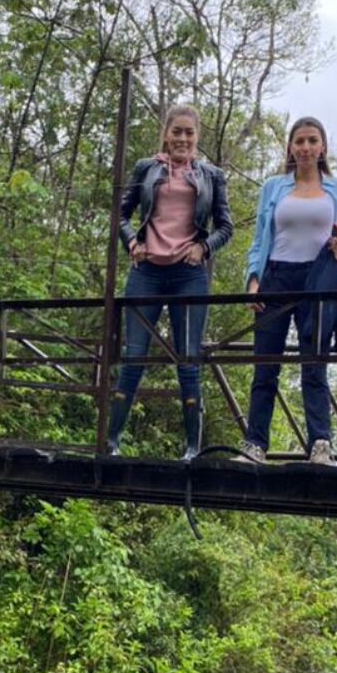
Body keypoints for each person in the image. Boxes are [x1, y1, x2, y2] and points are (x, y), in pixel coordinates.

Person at [106, 104, 233, 460]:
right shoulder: (147, 168)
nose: (182, 138)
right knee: (134, 357)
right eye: (176, 131)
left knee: (188, 359)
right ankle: (111, 440)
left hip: (188, 275)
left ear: (197, 136)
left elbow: (226, 226)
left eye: (189, 133)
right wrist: (132, 241)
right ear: (166, 133)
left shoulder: (211, 175)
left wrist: (204, 247)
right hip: (146, 271)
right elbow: (121, 212)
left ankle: (192, 447)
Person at [238, 116, 337, 465]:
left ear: (322, 147)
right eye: (299, 141)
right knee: (265, 363)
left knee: (314, 362)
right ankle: (255, 444)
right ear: (290, 147)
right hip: (277, 275)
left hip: (318, 278)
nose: (305, 147)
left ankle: (320, 443)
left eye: (312, 141)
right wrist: (253, 280)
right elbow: (260, 238)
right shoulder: (273, 187)